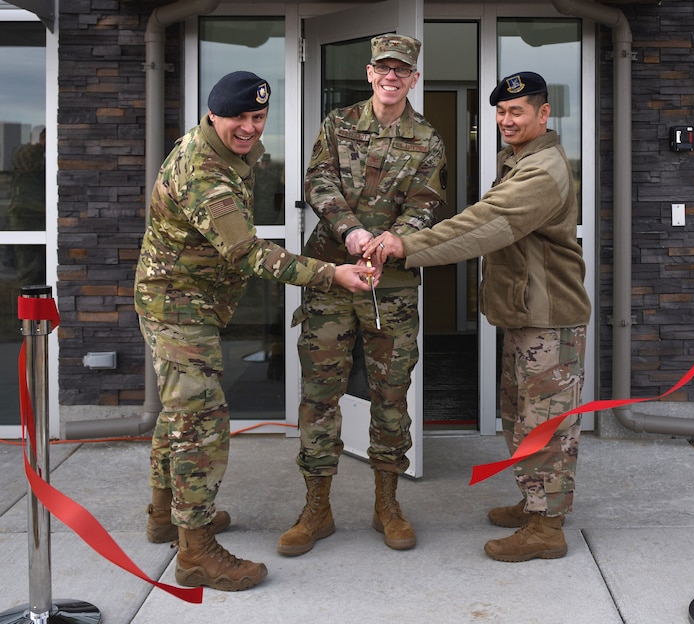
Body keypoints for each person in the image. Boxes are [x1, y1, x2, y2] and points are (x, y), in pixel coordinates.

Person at [134, 70, 374, 592]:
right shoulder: (203, 172)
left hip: (188, 300)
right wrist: (331, 273)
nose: (248, 128)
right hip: (177, 304)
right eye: (238, 117)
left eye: (258, 117)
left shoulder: (227, 151)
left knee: (178, 412)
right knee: (200, 418)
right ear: (213, 114)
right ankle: (195, 552)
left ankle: (164, 517)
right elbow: (246, 252)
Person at [364, 71, 591, 563]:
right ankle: (535, 503)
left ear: (544, 114)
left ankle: (547, 527)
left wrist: (406, 245)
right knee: (520, 415)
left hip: (550, 320)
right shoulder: (519, 160)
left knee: (545, 422)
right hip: (528, 315)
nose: (506, 120)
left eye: (518, 112)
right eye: (502, 112)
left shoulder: (541, 170)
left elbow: (486, 224)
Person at [277, 34, 447, 556]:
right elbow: (319, 182)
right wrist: (351, 231)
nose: (391, 77)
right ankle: (316, 508)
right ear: (369, 73)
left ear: (414, 78)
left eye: (402, 70)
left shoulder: (428, 139)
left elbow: (427, 202)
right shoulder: (337, 124)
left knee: (390, 397)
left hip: (390, 287)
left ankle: (387, 503)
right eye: (383, 68)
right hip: (331, 279)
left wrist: (395, 240)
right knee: (320, 396)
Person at [8, 125, 46, 285]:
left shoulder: (43, 160)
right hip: (24, 217)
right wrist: (42, 146)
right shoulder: (26, 154)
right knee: (30, 269)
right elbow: (27, 163)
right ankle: (26, 308)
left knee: (42, 268)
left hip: (40, 216)